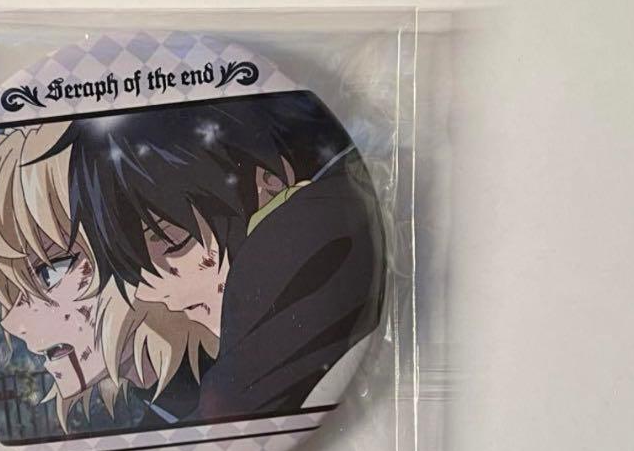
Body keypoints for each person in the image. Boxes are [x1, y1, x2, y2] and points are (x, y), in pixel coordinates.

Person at [42, 90, 386, 419]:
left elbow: (232, 413)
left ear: (269, 183)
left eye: (172, 243)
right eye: (132, 268)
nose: (152, 294)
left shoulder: (295, 247)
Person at [0, 123, 215, 431]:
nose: (11, 322)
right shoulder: (162, 419)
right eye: (11, 290)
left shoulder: (243, 381)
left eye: (49, 272)